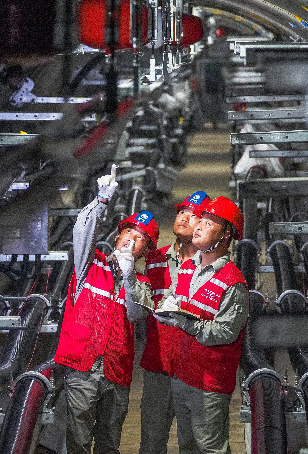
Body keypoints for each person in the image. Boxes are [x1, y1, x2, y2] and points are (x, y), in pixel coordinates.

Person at [54, 165, 158, 454]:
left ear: (145, 251)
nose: (131, 240)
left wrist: (128, 276)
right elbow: (81, 234)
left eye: (140, 239)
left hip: (116, 371)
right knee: (79, 442)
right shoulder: (90, 266)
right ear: (117, 236)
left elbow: (137, 316)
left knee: (109, 443)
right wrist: (100, 202)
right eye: (128, 232)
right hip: (82, 368)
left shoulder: (142, 285)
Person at [153, 196, 249, 454]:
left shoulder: (232, 282)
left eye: (208, 223)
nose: (198, 226)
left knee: (210, 447)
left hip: (209, 382)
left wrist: (186, 323)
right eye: (201, 220)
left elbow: (227, 332)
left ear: (226, 235)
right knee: (188, 446)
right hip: (182, 374)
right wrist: (164, 310)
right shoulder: (186, 269)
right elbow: (172, 299)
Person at [139, 191, 210, 454]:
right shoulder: (154, 260)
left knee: (191, 442)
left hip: (193, 367)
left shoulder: (210, 267)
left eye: (194, 215)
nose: (184, 218)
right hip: (158, 363)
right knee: (151, 440)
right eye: (182, 212)